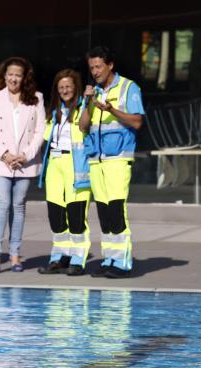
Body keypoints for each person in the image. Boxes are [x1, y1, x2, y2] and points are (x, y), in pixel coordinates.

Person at [79, 46, 144, 278]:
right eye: (91, 68)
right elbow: (83, 126)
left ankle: (123, 263)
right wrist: (87, 103)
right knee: (105, 213)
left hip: (118, 158)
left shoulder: (128, 87)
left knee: (117, 210)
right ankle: (109, 260)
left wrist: (112, 110)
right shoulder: (93, 92)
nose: (95, 72)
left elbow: (137, 122)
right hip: (97, 160)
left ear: (110, 65)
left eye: (98, 67)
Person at [0, 56, 45, 273]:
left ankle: (15, 254)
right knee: (1, 205)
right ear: (4, 76)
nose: (13, 79)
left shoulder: (36, 99)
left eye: (18, 75)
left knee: (18, 207)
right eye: (10, 74)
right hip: (0, 163)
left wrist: (26, 155)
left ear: (24, 77)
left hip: (25, 163)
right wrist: (5, 154)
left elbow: (40, 132)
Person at [37, 69, 91, 276]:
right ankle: (59, 258)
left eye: (68, 86)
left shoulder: (84, 109)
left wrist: (88, 101)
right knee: (56, 216)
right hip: (55, 166)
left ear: (75, 87)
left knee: (76, 217)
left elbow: (87, 129)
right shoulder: (54, 113)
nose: (65, 90)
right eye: (61, 87)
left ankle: (77, 260)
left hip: (76, 166)